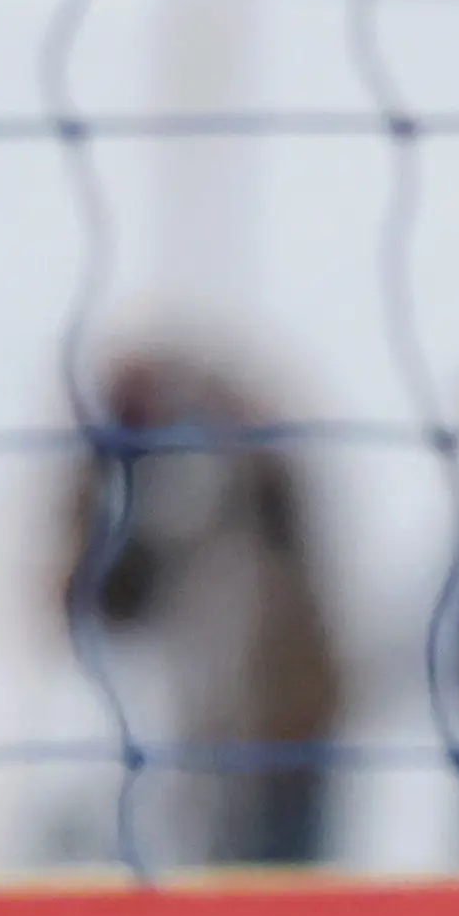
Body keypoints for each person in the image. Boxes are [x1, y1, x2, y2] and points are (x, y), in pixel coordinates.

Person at [58, 344, 350, 869]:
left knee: (276, 878)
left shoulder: (263, 521)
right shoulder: (138, 506)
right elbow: (98, 595)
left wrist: (224, 407)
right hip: (168, 737)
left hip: (276, 739)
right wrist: (111, 450)